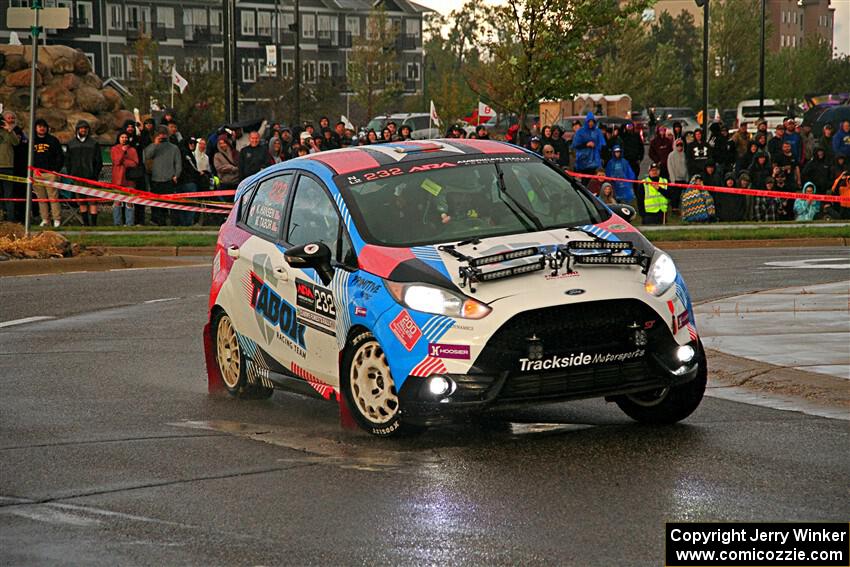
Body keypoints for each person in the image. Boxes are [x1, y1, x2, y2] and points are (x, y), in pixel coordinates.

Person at [65, 120, 103, 226]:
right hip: (77, 177)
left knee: (93, 201)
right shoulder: (71, 144)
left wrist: (95, 175)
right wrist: (71, 174)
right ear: (77, 129)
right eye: (81, 128)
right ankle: (85, 224)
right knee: (81, 201)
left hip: (91, 177)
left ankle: (94, 225)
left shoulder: (94, 143)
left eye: (85, 128)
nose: (83, 130)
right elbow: (68, 161)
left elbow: (98, 161)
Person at [143, 126, 182, 226]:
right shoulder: (154, 147)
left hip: (169, 179)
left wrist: (176, 175)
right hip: (156, 179)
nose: (162, 136)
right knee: (156, 204)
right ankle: (158, 222)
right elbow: (147, 155)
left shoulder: (174, 148)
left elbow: (178, 163)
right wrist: (155, 143)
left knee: (172, 204)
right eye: (160, 134)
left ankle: (174, 223)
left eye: (164, 134)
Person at [31, 118, 64, 227]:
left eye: (44, 126)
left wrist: (56, 170)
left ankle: (57, 220)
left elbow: (60, 156)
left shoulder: (53, 140)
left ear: (47, 128)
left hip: (50, 174)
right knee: (41, 198)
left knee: (53, 198)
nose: (42, 128)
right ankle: (45, 219)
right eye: (39, 126)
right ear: (35, 128)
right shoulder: (32, 141)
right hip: (37, 173)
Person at [109, 132, 139, 226]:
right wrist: (122, 152)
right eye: (122, 137)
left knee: (129, 202)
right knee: (117, 202)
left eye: (126, 137)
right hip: (118, 179)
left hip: (129, 179)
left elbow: (135, 163)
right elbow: (117, 161)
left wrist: (124, 162)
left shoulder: (132, 150)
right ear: (119, 138)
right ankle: (117, 223)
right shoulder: (114, 149)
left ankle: (129, 223)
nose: (124, 139)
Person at [0, 110, 21, 222]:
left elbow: (16, 142)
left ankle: (10, 219)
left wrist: (9, 129)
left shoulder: (10, 132)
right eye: (7, 118)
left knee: (8, 195)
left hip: (7, 166)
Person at [666, 138, 688, 211]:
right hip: (675, 179)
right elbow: (670, 167)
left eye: (681, 145)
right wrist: (672, 180)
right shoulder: (671, 155)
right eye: (678, 145)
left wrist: (687, 178)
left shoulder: (685, 154)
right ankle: (674, 208)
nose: (679, 146)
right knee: (675, 195)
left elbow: (687, 167)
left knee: (684, 195)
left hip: (684, 179)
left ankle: (683, 208)